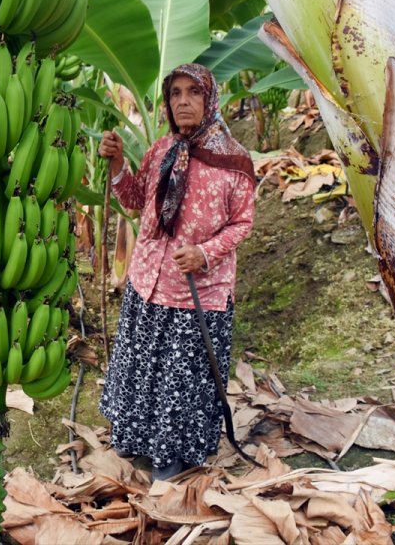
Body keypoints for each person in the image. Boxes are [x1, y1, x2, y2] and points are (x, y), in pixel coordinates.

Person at [98, 63, 255, 482]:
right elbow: (134, 200)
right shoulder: (160, 150)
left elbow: (243, 222)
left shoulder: (233, 161)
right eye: (175, 94)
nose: (183, 101)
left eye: (193, 93)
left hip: (197, 294)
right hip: (147, 281)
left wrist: (204, 253)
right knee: (140, 369)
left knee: (178, 383)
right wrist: (116, 166)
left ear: (209, 99)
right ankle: (132, 441)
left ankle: (170, 460)